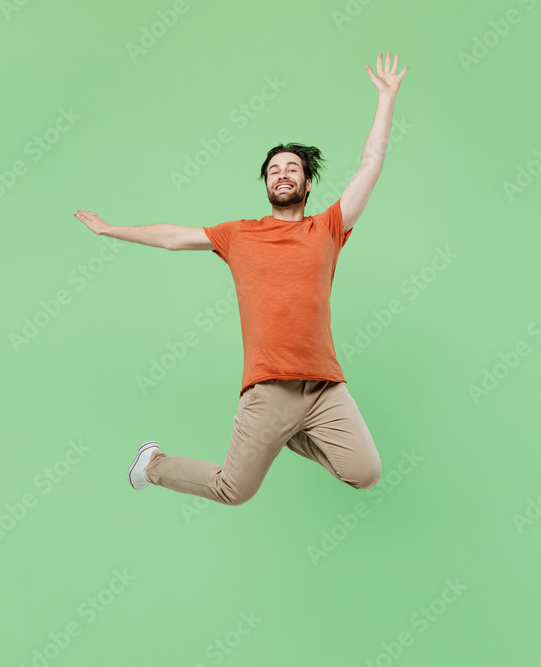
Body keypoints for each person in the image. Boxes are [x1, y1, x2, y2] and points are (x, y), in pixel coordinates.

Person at [73, 52, 409, 506]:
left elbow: (370, 164)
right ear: (267, 185)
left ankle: (288, 435)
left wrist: (387, 98)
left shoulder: (328, 228)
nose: (283, 174)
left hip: (326, 386)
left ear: (307, 185)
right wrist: (112, 229)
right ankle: (152, 464)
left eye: (293, 169)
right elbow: (173, 236)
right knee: (235, 490)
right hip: (269, 387)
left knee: (366, 473)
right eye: (274, 170)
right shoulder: (240, 235)